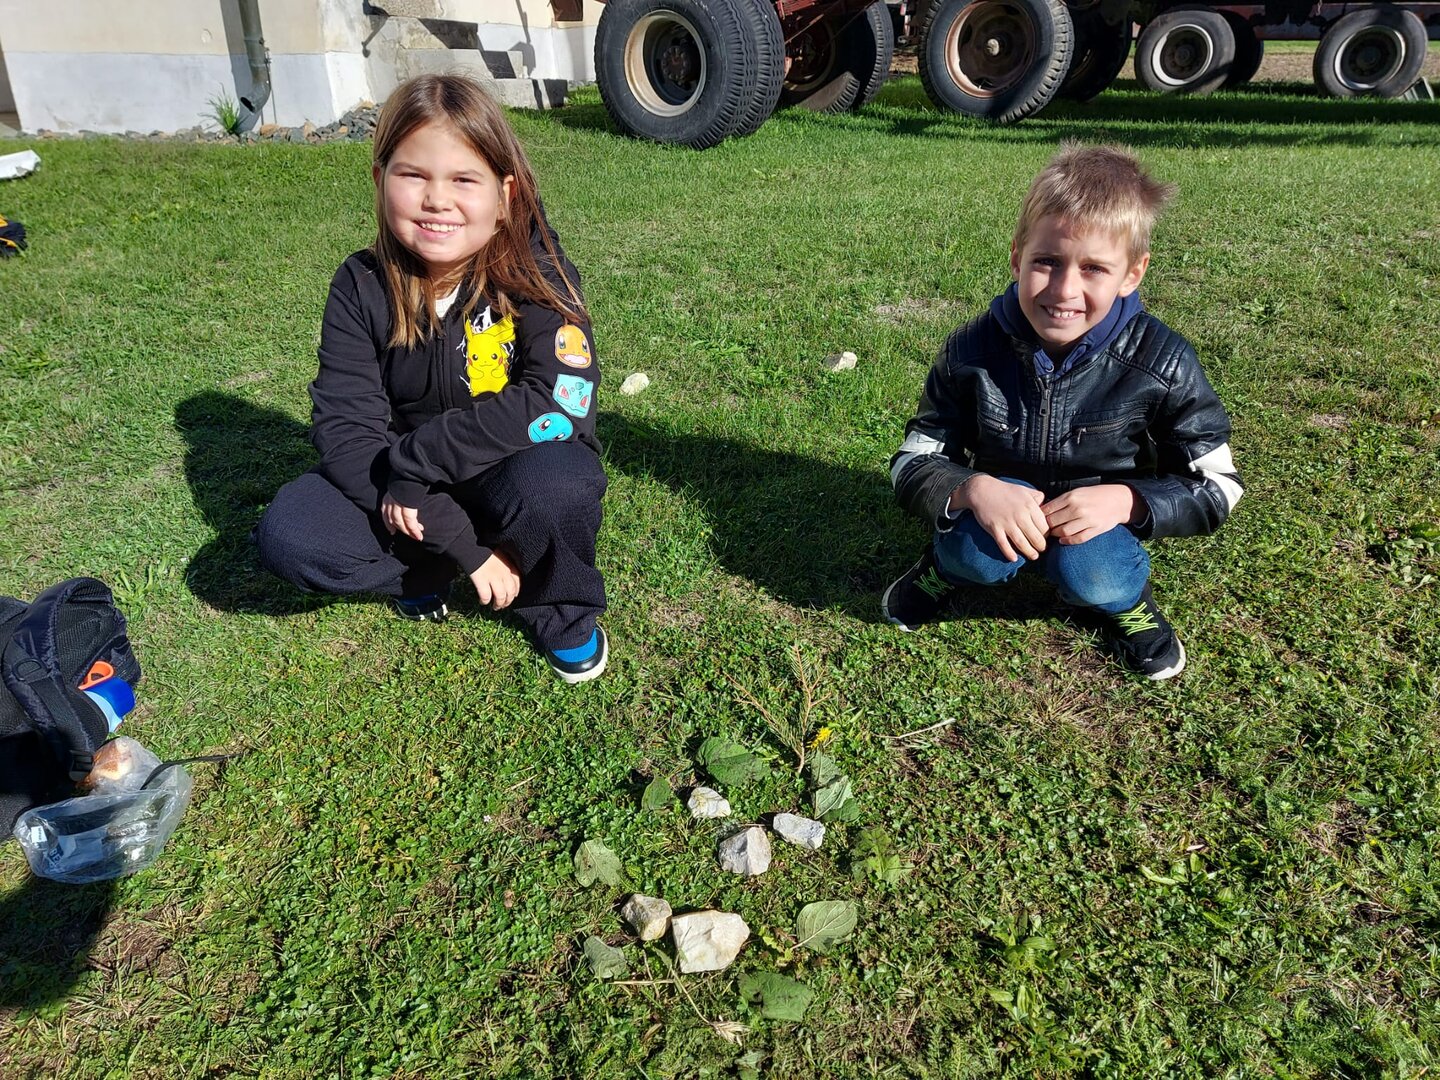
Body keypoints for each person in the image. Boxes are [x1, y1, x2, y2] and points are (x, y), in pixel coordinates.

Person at [255, 74, 608, 683]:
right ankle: (437, 567)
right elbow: (345, 430)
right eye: (413, 175)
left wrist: (417, 462)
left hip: (506, 465)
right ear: (380, 179)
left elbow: (562, 399)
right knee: (293, 534)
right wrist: (459, 542)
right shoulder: (360, 284)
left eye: (464, 180)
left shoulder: (537, 269)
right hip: (404, 484)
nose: (437, 199)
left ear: (504, 193)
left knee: (558, 484)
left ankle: (560, 608)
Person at [882, 144, 1242, 680]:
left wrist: (1127, 500)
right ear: (1016, 257)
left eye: (1094, 268)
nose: (1064, 289)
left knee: (1096, 574)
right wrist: (973, 489)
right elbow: (912, 460)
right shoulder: (969, 351)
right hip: (1003, 506)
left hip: (1096, 525)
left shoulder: (1163, 361)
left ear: (1132, 274)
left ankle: (1126, 603)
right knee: (972, 553)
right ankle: (944, 570)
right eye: (1046, 261)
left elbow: (1219, 485)